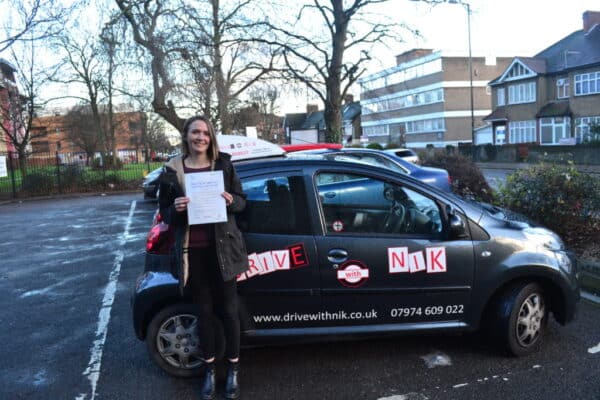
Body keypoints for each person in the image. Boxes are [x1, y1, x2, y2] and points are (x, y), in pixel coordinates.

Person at [158, 115, 248, 400]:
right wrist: (176, 208)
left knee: (229, 312)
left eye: (205, 133)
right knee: (204, 314)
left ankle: (233, 369)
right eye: (195, 132)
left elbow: (243, 202)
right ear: (186, 136)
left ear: (211, 138)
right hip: (192, 254)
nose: (200, 137)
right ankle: (210, 370)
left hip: (222, 251)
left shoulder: (223, 165)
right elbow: (166, 215)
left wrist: (232, 201)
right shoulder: (173, 171)